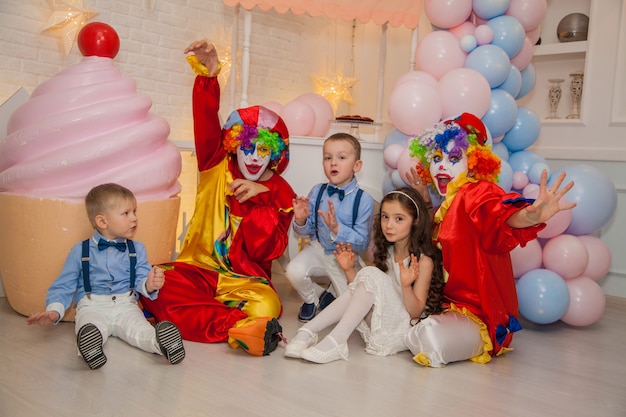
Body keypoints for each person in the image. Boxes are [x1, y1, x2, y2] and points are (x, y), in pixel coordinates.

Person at [140, 40, 296, 356]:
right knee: (155, 281)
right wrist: (209, 77)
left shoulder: (281, 193)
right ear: (235, 145)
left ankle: (203, 317)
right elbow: (206, 120)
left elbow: (265, 249)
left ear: (274, 154)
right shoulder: (215, 164)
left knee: (268, 305)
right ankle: (238, 326)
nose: (253, 158)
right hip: (199, 270)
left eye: (263, 150)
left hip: (246, 282)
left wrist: (263, 200)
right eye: (247, 147)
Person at [403, 113, 576, 367]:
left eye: (453, 159)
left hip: (479, 314)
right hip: (445, 305)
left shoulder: (475, 193)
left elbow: (498, 213)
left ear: (473, 164)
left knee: (427, 337)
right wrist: (425, 200)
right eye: (436, 159)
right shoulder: (447, 204)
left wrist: (530, 216)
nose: (442, 166)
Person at [26, 183, 185, 370]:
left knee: (139, 329)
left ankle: (162, 344)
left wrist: (149, 283)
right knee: (90, 325)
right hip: (92, 304)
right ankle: (90, 347)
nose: (134, 218)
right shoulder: (80, 250)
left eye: (134, 211)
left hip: (126, 304)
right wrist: (54, 310)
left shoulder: (137, 249)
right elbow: (64, 285)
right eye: (126, 213)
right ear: (102, 222)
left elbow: (141, 277)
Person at [284, 187, 445, 364]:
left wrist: (406, 286)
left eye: (399, 219)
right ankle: (308, 331)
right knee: (367, 276)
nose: (389, 225)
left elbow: (415, 312)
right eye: (385, 217)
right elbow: (363, 293)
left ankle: (336, 340)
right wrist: (349, 270)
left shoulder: (423, 261)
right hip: (378, 323)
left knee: (370, 273)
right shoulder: (386, 252)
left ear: (415, 221)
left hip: (401, 332)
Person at [286, 132, 374, 322]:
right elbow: (305, 231)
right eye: (328, 158)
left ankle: (333, 292)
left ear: (356, 165)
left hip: (345, 256)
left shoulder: (364, 200)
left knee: (351, 308)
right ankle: (313, 299)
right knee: (293, 270)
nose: (333, 163)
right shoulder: (317, 191)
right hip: (318, 249)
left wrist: (337, 230)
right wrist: (301, 220)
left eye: (341, 157)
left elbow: (362, 243)